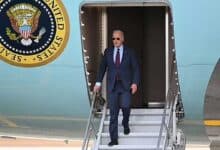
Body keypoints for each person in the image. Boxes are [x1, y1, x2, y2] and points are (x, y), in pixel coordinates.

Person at [93, 30, 140, 146]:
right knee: (113, 113)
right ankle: (113, 139)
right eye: (113, 39)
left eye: (118, 38)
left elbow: (136, 69)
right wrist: (98, 83)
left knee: (126, 106)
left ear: (122, 39)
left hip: (125, 85)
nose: (115, 41)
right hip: (112, 86)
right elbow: (102, 68)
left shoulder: (130, 52)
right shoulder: (108, 52)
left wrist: (135, 83)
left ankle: (125, 123)